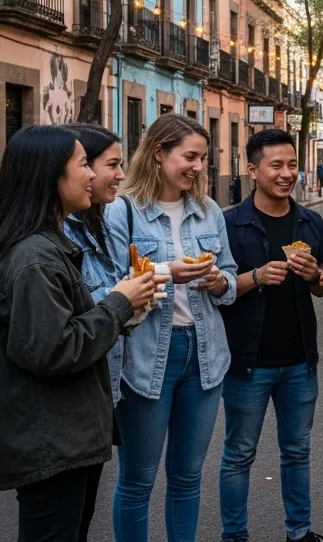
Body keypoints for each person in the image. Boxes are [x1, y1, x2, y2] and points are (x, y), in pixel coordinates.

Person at [0, 125, 163, 542]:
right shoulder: (36, 258)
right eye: (82, 165)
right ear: (52, 176)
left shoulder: (44, 246)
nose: (93, 175)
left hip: (63, 439)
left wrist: (123, 311)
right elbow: (53, 349)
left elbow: (61, 329)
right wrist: (119, 302)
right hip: (52, 442)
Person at [104, 114, 238, 542]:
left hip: (205, 355)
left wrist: (221, 282)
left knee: (187, 476)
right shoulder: (121, 212)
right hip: (145, 356)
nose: (198, 166)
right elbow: (108, 287)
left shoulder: (208, 211)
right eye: (189, 156)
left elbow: (231, 278)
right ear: (159, 153)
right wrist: (166, 272)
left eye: (203, 157)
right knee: (137, 480)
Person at [219, 129, 323, 542]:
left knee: (297, 452)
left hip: (300, 360)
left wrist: (317, 276)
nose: (287, 174)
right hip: (247, 362)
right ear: (252, 170)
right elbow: (217, 289)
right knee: (238, 455)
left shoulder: (311, 221)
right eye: (276, 166)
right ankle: (235, 536)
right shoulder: (230, 224)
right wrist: (257, 277)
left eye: (291, 165)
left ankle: (298, 532)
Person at [63, 124, 147, 405]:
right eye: (112, 165)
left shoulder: (105, 222)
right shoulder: (55, 236)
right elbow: (63, 320)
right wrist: (123, 298)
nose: (121, 175)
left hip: (106, 377)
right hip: (78, 389)